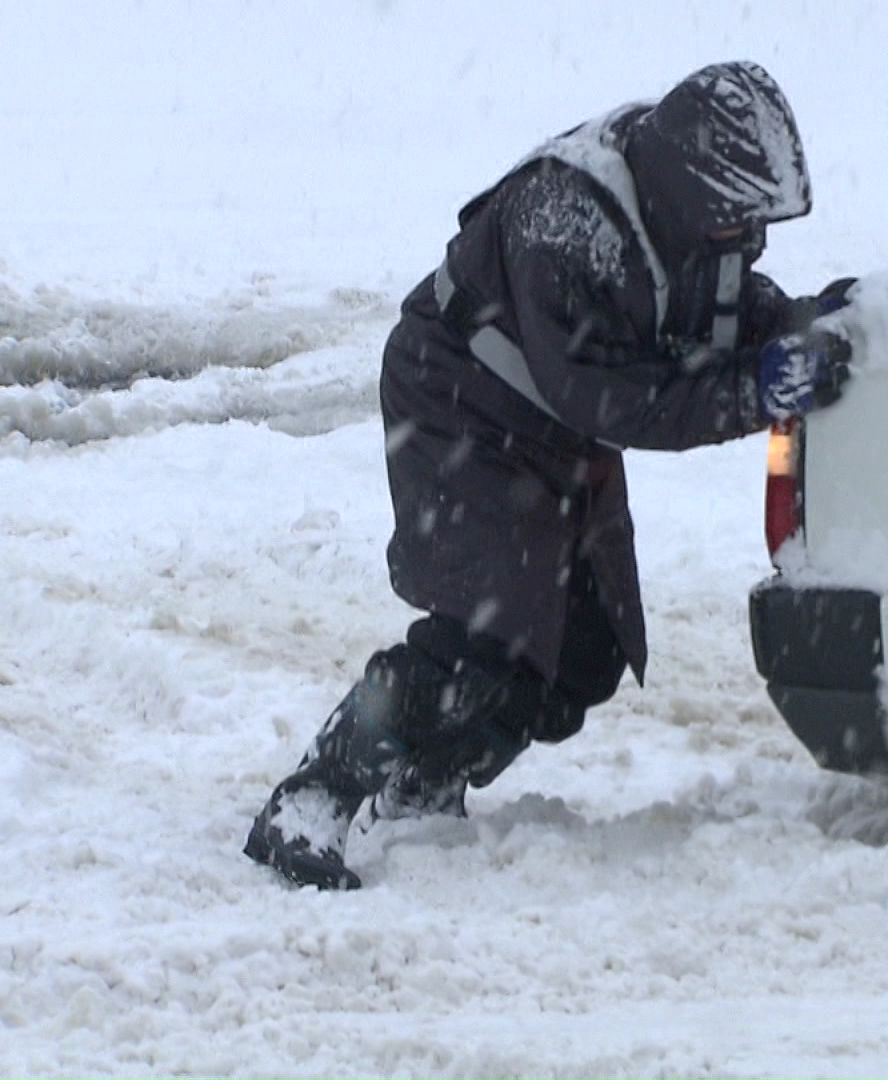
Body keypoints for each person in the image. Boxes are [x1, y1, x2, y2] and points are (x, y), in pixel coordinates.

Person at [244, 60, 855, 890]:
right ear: (694, 191)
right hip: (459, 398)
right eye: (739, 220)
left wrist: (802, 322)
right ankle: (314, 797)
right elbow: (622, 402)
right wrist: (757, 390)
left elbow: (714, 309)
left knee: (583, 649)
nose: (751, 241)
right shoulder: (564, 225)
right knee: (486, 636)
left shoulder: (691, 218)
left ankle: (427, 779)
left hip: (551, 419)